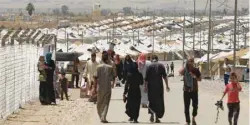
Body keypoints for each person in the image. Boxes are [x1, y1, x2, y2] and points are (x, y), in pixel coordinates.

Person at [145, 55, 170, 123]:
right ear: (157, 59)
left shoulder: (149, 66)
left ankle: (152, 115)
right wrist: (167, 86)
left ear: (152, 59)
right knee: (159, 102)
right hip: (159, 87)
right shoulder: (161, 65)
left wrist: (145, 87)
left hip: (151, 88)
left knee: (151, 101)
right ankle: (156, 117)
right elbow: (165, 77)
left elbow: (146, 79)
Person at [179, 57, 201, 125]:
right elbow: (180, 72)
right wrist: (185, 68)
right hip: (186, 90)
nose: (191, 63)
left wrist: (194, 76)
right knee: (186, 107)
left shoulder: (196, 70)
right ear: (187, 62)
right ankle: (187, 121)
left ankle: (193, 118)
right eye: (189, 61)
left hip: (194, 90)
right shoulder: (185, 70)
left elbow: (200, 79)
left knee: (195, 106)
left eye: (192, 61)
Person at [95, 52, 115, 123]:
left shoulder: (98, 67)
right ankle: (103, 116)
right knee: (106, 102)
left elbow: (95, 77)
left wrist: (94, 88)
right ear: (107, 60)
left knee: (99, 102)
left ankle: (101, 115)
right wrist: (113, 84)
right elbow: (114, 77)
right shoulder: (110, 67)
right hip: (107, 87)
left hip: (100, 87)